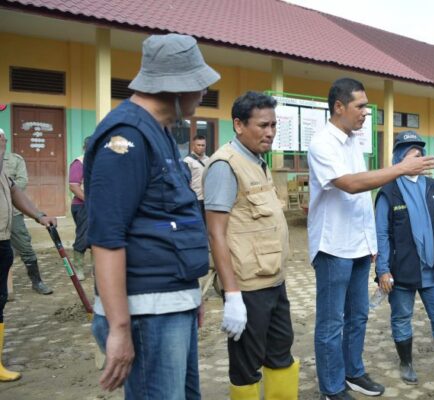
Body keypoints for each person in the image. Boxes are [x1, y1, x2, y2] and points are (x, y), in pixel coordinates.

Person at [84, 33, 219, 397]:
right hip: (147, 311)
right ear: (173, 86)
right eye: (197, 83)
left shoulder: (160, 133)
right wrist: (120, 328)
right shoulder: (125, 137)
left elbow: (169, 217)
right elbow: (107, 238)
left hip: (171, 303)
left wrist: (191, 295)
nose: (203, 91)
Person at [307, 77, 434, 400]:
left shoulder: (353, 141)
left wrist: (374, 246)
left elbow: (363, 193)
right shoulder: (322, 143)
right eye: (360, 106)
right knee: (331, 322)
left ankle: (353, 371)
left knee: (359, 315)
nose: (367, 112)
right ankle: (331, 387)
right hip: (333, 246)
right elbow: (351, 184)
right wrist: (400, 169)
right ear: (339, 107)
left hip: (358, 246)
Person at [204, 91, 298, 399]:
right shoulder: (225, 165)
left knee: (281, 355)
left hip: (273, 279)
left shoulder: (257, 162)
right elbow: (216, 233)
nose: (270, 132)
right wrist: (232, 296)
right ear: (239, 125)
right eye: (262, 125)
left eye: (273, 125)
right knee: (246, 366)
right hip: (247, 286)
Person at [374, 130, 434, 386]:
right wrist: (383, 270)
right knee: (402, 317)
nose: (418, 159)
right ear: (399, 159)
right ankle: (406, 363)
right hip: (403, 269)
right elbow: (381, 234)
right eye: (410, 155)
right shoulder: (388, 191)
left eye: (420, 154)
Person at [0, 128, 58, 382]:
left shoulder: (4, 169)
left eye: (2, 140)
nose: (2, 143)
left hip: (2, 239)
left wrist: (39, 215)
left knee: (0, 299)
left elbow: (15, 192)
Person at [2, 146, 53, 294]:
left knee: (25, 246)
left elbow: (20, 184)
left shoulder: (14, 160)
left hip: (13, 213)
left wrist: (39, 216)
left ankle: (37, 282)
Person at [68, 137, 90, 281]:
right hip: (82, 206)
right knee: (83, 236)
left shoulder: (100, 162)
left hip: (99, 206)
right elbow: (74, 186)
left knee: (99, 237)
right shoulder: (79, 163)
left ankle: (98, 269)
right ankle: (78, 269)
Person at [184, 134, 209, 216]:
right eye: (198, 145)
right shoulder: (187, 161)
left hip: (207, 199)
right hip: (195, 198)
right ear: (193, 146)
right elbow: (184, 181)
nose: (201, 147)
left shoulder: (209, 160)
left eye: (203, 145)